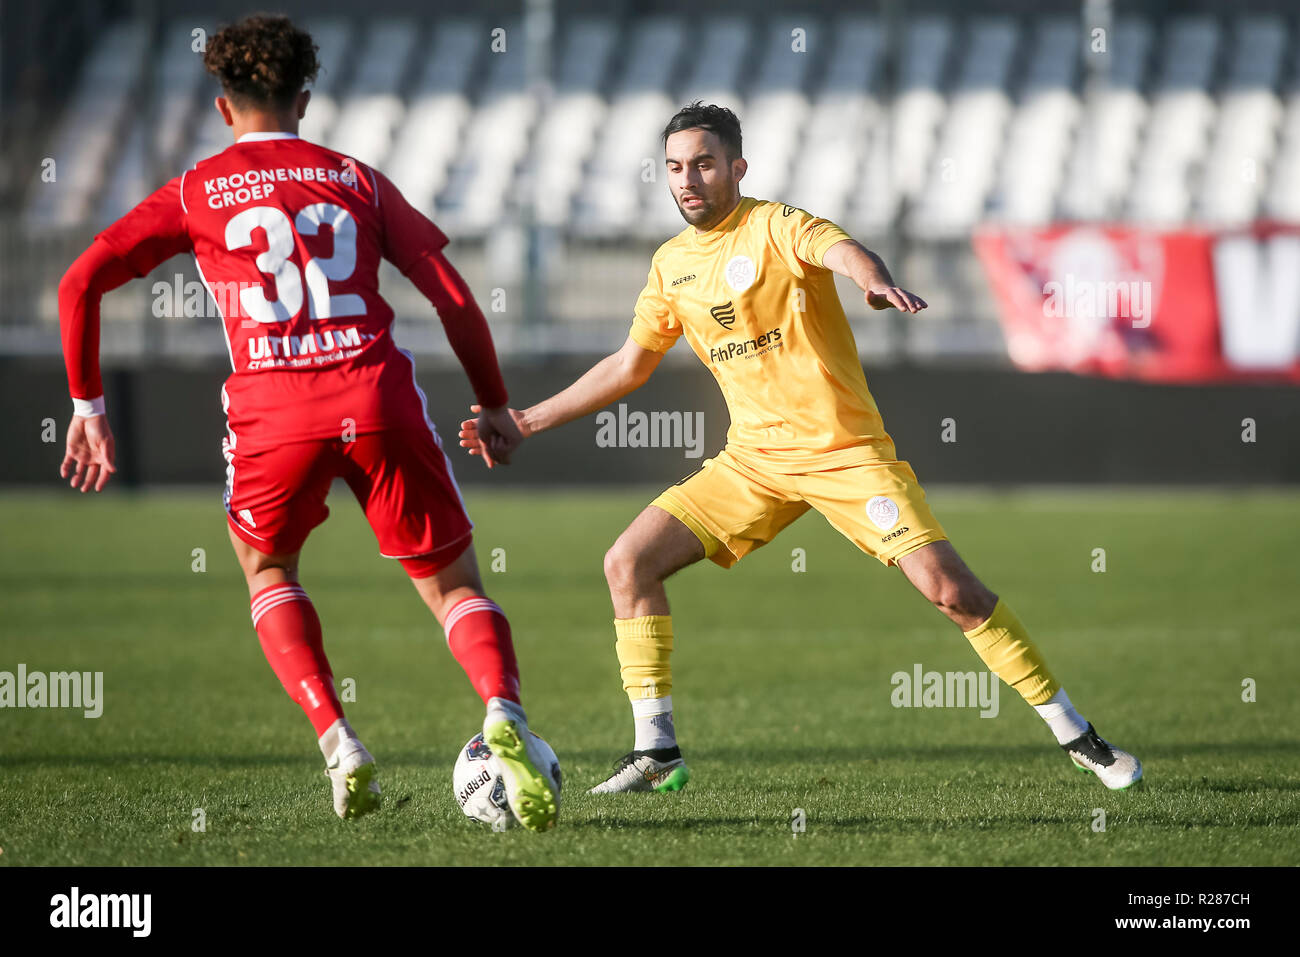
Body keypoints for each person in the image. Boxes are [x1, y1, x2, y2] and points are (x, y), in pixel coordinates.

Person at [460, 101, 1141, 795]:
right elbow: (630, 364)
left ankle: (1077, 734)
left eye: (702, 163)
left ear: (736, 167)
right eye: (674, 167)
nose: (687, 179)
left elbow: (840, 249)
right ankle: (656, 752)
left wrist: (869, 277)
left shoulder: (776, 225)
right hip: (753, 460)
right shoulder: (670, 266)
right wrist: (527, 419)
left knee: (952, 591)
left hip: (846, 454)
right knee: (628, 562)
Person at [57, 14, 556, 828]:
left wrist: (88, 407)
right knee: (454, 585)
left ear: (223, 108)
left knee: (269, 570)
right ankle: (503, 712)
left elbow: (79, 282)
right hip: (375, 396)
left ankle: (338, 738)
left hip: (273, 411)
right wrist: (494, 402)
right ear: (305, 100)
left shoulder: (196, 190)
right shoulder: (356, 179)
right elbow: (455, 296)